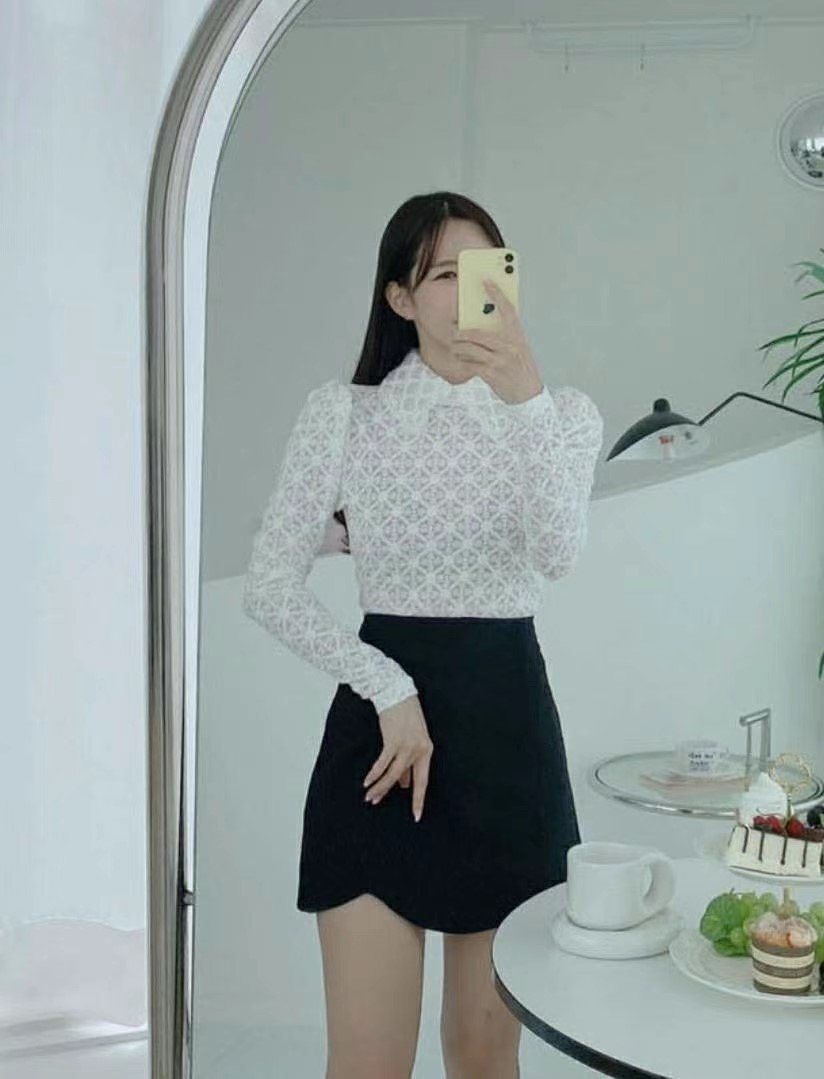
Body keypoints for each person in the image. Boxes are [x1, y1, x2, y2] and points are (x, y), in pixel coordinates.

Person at [241, 191, 604, 1079]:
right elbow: (269, 584)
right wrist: (389, 686)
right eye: (444, 273)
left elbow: (558, 555)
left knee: (484, 1058)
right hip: (382, 745)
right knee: (367, 1064)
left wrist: (525, 399)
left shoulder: (563, 416)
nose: (470, 291)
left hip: (506, 741)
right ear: (400, 297)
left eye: (485, 269)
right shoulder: (345, 414)